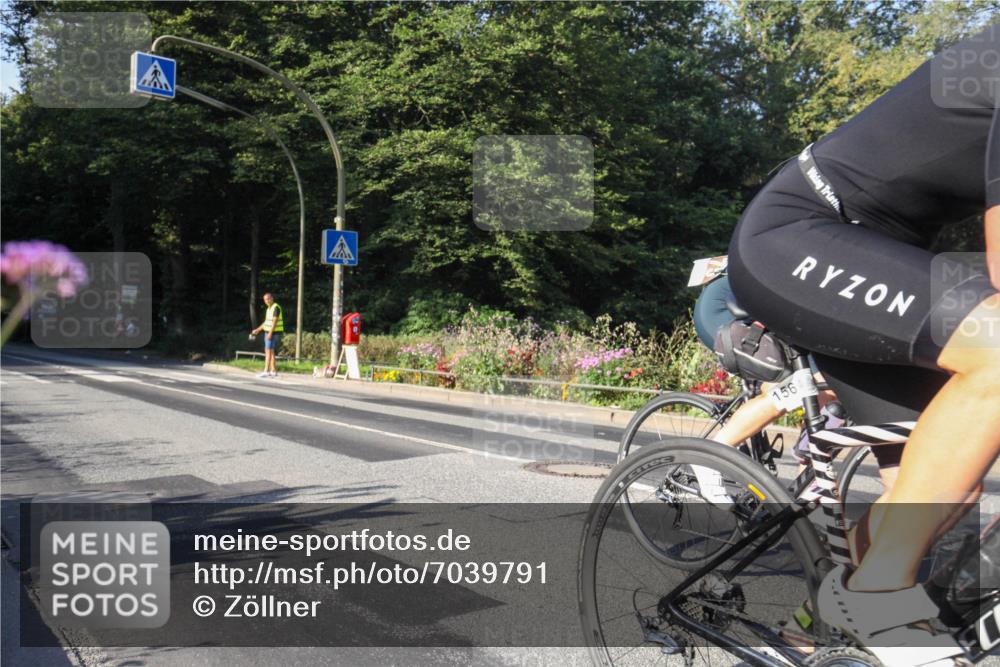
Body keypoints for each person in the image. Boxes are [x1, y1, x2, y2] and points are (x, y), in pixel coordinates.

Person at [726, 25, 1000, 663]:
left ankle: (824, 621)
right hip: (800, 233)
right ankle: (878, 593)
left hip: (884, 256)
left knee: (945, 493)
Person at [251, 293, 284, 378]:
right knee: (271, 351)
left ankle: (266, 370)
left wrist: (270, 333)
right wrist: (258, 330)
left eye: (268, 299)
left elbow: (275, 321)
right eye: (265, 299)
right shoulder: (269, 309)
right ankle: (273, 371)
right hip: (269, 332)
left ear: (272, 298)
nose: (267, 301)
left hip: (273, 332)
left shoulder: (276, 307)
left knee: (268, 351)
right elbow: (267, 322)